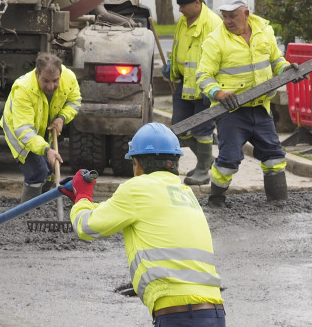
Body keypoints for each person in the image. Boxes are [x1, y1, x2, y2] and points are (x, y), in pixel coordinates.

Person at [65, 122, 225, 326]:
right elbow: (121, 209)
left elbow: (86, 227)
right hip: (214, 313)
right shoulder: (184, 193)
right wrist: (87, 202)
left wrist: (83, 197)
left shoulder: (137, 188)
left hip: (178, 315)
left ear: (138, 163)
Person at [196, 0, 299, 207]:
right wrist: (219, 93)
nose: (227, 21)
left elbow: (276, 60)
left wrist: (287, 70)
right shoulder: (216, 40)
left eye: (232, 16)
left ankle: (277, 201)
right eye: (224, 15)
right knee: (229, 160)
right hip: (231, 113)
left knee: (274, 156)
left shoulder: (263, 31)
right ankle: (216, 201)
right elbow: (203, 76)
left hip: (261, 108)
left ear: (246, 13)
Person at [0, 52, 82, 202]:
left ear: (61, 74)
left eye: (55, 81)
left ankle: (39, 203)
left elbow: (74, 101)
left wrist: (62, 118)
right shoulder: (23, 89)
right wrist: (46, 150)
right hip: (20, 130)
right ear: (37, 74)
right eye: (45, 81)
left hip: (44, 128)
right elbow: (24, 129)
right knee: (37, 172)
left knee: (50, 171)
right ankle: (27, 213)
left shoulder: (69, 78)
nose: (51, 86)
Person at [165, 0, 223, 185]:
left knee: (202, 130)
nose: (180, 9)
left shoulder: (213, 23)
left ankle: (203, 170)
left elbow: (220, 55)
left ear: (197, 3)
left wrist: (214, 86)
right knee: (178, 128)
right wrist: (172, 67)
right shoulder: (184, 20)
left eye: (183, 5)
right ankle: (206, 162)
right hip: (185, 84)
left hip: (205, 87)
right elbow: (180, 45)